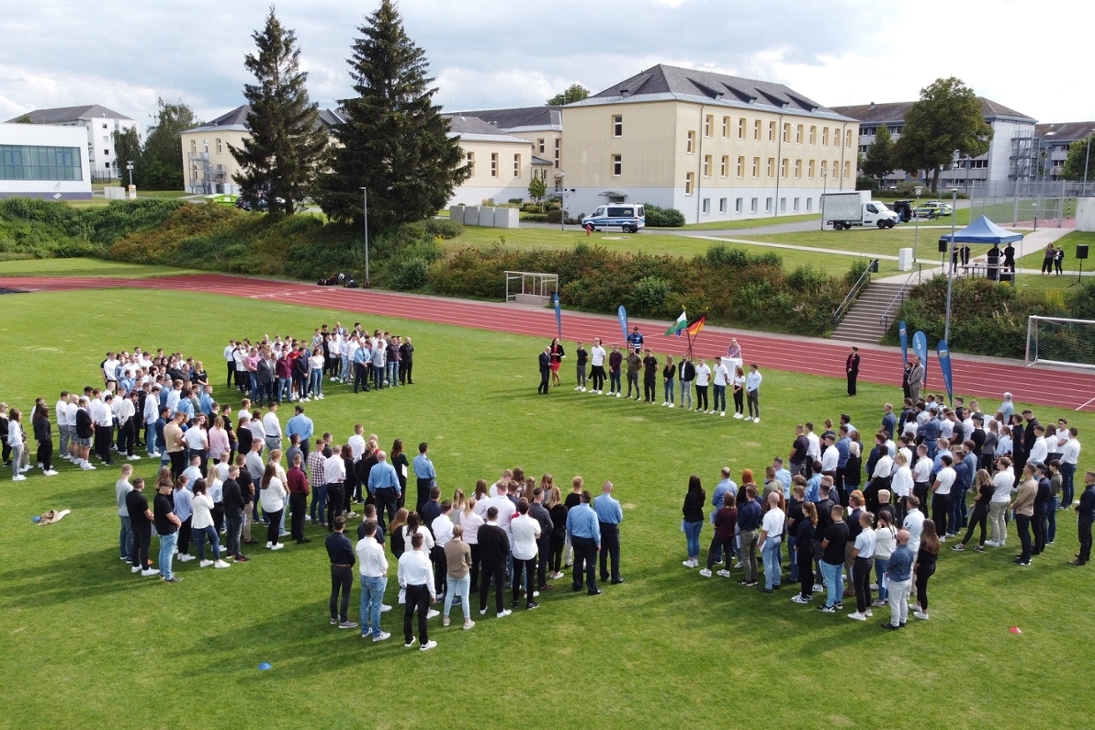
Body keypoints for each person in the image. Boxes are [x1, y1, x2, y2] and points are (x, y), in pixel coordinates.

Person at [398, 532, 437, 651]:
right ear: (422, 543)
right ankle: (424, 643)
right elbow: (430, 579)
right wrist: (433, 594)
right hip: (422, 589)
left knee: (408, 614)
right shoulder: (425, 560)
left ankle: (408, 639)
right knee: (422, 616)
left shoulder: (404, 557)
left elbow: (400, 574)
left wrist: (403, 584)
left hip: (410, 588)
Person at [477, 506, 512, 617]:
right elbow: (506, 548)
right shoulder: (500, 532)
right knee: (500, 585)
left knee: (485, 583)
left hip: (486, 560)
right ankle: (500, 610)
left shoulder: (481, 529)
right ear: (497, 516)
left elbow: (480, 543)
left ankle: (482, 608)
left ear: (487, 516)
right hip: (498, 561)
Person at [566, 490, 602, 595]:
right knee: (591, 564)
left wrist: (572, 536)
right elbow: (595, 530)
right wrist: (598, 542)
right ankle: (591, 588)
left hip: (576, 539)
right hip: (588, 541)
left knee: (578, 561)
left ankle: (577, 584)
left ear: (581, 499)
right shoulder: (592, 513)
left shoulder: (573, 510)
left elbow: (568, 525)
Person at [510, 498, 541, 610]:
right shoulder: (533, 522)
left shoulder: (514, 521)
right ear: (528, 509)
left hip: (518, 551)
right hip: (529, 552)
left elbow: (513, 531)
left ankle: (515, 600)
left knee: (517, 575)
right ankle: (529, 602)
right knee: (530, 576)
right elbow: (538, 535)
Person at [817, 504, 848, 613]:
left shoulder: (832, 529)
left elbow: (824, 545)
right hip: (841, 558)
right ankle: (838, 601)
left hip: (830, 559)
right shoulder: (845, 526)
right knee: (838, 579)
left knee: (830, 583)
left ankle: (829, 605)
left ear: (834, 513)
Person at [881, 528, 913, 630]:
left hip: (897, 581)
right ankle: (903, 620)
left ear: (900, 539)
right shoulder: (911, 551)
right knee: (903, 601)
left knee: (894, 603)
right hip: (907, 579)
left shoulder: (897, 554)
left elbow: (889, 566)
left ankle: (894, 623)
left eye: (897, 536)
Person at [700, 492, 737, 578]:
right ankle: (727, 571)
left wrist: (715, 526)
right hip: (730, 534)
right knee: (727, 552)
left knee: (712, 550)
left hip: (721, 534)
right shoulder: (735, 510)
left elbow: (717, 523)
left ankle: (708, 570)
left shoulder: (722, 511)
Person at [153, 479, 183, 583]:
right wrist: (178, 522)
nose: (171, 490)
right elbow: (171, 516)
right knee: (168, 553)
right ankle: (169, 576)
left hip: (161, 529)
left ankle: (162, 573)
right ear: (164, 487)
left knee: (163, 551)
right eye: (170, 488)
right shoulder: (164, 501)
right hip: (169, 530)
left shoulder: (157, 498)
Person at [595, 481, 624, 584]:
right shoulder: (615, 503)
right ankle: (615, 577)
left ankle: (604, 574)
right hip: (612, 528)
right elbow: (620, 518)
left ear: (603, 488)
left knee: (603, 552)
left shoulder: (596, 500)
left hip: (601, 527)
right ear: (612, 490)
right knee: (614, 553)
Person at [848, 510, 875, 620]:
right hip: (869, 560)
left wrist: (852, 554)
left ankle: (861, 612)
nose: (858, 520)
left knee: (859, 587)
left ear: (863, 521)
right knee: (866, 585)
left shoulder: (861, 536)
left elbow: (855, 553)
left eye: (860, 519)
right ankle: (868, 608)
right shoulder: (873, 532)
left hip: (861, 562)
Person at [757, 492, 786, 593]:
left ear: (769, 500)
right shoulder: (782, 512)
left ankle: (768, 586)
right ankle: (777, 582)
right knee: (775, 561)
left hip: (769, 539)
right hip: (778, 538)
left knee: (767, 563)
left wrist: (760, 543)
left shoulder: (768, 515)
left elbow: (764, 532)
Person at [913, 519, 940, 619]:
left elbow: (920, 559)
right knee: (918, 584)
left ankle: (924, 612)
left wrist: (915, 568)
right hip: (932, 565)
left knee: (922, 588)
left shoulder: (925, 541)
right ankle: (918, 605)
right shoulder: (936, 538)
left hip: (924, 567)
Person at [1011, 463, 1037, 566]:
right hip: (1027, 510)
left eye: (1025, 467)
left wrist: (1014, 505)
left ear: (1029, 471)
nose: (1023, 468)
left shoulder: (1028, 485)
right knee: (1025, 534)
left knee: (1023, 535)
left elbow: (1021, 500)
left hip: (1023, 511)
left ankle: (1026, 558)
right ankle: (1025, 554)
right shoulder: (1033, 482)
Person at [737, 485, 762, 586]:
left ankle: (748, 579)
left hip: (747, 533)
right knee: (753, 556)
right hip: (755, 532)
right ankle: (754, 578)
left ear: (748, 494)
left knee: (746, 557)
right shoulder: (758, 506)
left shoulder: (745, 508)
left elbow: (740, 523)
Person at [259, 462, 286, 551]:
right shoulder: (276, 480)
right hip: (275, 506)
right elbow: (283, 494)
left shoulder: (262, 479)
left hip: (266, 506)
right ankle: (274, 543)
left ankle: (269, 541)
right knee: (275, 525)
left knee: (272, 523)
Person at [1071, 471, 1095, 565]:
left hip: (1085, 516)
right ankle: (1085, 555)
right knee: (1088, 536)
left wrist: (1077, 507)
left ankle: (1081, 559)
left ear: (1090, 479)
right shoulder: (1092, 489)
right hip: (1089, 515)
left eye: (1086, 476)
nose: (1085, 477)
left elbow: (1085, 506)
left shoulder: (1090, 491)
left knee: (1084, 538)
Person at [287, 452, 310, 544]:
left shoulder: (289, 472)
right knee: (301, 517)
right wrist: (306, 492)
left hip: (292, 494)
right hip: (300, 495)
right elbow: (304, 486)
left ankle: (294, 534)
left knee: (295, 515)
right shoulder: (300, 474)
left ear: (293, 461)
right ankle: (300, 537)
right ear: (300, 461)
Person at [412, 442, 436, 515]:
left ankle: (418, 514)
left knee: (420, 497)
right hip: (427, 481)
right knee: (426, 499)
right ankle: (424, 515)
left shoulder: (415, 459)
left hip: (419, 480)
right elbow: (432, 474)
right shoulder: (428, 462)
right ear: (426, 450)